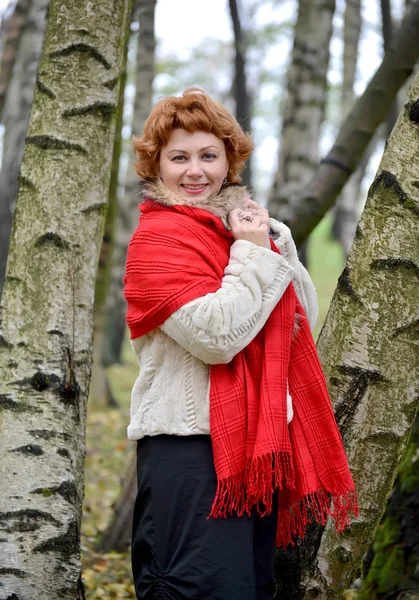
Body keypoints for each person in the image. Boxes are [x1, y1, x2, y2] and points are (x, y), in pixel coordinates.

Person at [124, 88, 357, 600]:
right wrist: (253, 253)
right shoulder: (156, 241)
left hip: (252, 452)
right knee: (197, 590)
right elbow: (216, 337)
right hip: (186, 454)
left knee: (249, 589)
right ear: (156, 165)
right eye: (178, 157)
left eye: (209, 155)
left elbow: (298, 321)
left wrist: (275, 243)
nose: (195, 171)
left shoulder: (242, 231)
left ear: (230, 161)